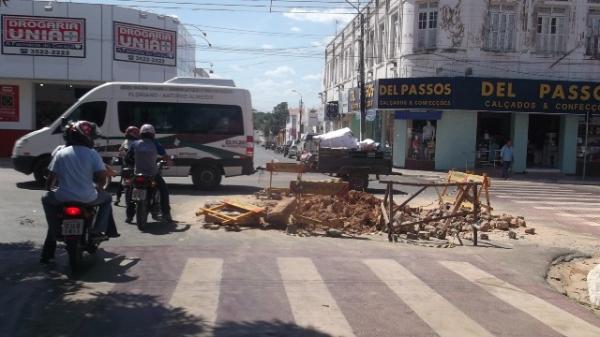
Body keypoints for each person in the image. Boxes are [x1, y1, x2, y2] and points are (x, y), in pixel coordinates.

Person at [40, 121, 119, 264]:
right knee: (107, 199)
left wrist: (49, 190)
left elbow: (51, 178)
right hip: (88, 197)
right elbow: (101, 176)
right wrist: (100, 188)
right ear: (87, 137)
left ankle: (54, 232)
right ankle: (98, 230)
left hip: (62, 197)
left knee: (46, 199)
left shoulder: (60, 152)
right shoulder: (92, 153)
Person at [125, 124, 172, 223]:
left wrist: (133, 163)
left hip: (137, 174)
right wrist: (168, 162)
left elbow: (127, 158)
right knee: (164, 191)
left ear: (141, 134)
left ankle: (129, 216)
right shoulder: (156, 144)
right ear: (152, 134)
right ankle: (166, 214)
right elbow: (165, 156)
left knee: (130, 192)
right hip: (152, 175)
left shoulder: (134, 144)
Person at [114, 126, 140, 205]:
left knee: (122, 181)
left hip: (126, 165)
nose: (137, 134)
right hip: (132, 165)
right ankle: (135, 199)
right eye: (135, 133)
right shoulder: (135, 142)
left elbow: (120, 151)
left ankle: (117, 198)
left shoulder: (126, 141)